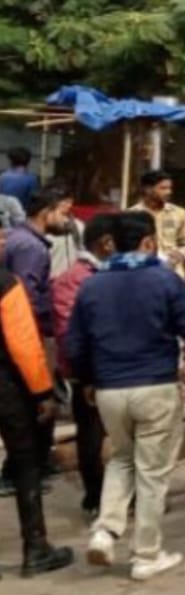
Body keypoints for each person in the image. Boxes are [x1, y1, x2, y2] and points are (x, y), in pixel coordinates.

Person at [67, 211, 185, 582]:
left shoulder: (91, 286)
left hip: (109, 390)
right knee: (152, 473)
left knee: (121, 458)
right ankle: (146, 554)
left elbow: (75, 344)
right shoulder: (164, 280)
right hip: (154, 386)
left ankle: (105, 531)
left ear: (111, 243)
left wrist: (87, 380)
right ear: (149, 242)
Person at [0, 269, 73, 578]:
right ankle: (36, 548)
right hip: (7, 388)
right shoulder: (4, 281)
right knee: (25, 464)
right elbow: (23, 342)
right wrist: (43, 391)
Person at [1, 186, 75, 493]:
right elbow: (26, 300)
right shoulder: (32, 248)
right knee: (40, 403)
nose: (67, 220)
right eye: (64, 213)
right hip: (30, 336)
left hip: (24, 334)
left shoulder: (19, 240)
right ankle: (19, 473)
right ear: (47, 212)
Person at [51, 213, 117, 524]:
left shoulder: (107, 274)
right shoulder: (74, 280)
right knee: (91, 439)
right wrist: (88, 374)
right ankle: (95, 496)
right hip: (91, 374)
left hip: (115, 371)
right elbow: (69, 334)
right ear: (106, 244)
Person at [130, 170, 185, 277]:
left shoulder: (179, 213)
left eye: (170, 188)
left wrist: (179, 255)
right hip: (142, 274)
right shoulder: (132, 214)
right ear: (148, 189)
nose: (169, 192)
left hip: (173, 273)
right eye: (163, 188)